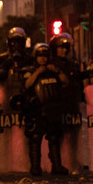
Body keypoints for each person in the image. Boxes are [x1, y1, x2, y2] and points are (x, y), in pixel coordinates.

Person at [23, 43, 70, 176]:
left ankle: (57, 165)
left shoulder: (54, 70)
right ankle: (35, 167)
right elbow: (27, 85)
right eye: (40, 56)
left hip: (53, 109)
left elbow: (66, 82)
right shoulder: (31, 70)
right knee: (35, 138)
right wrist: (38, 72)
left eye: (45, 56)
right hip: (37, 109)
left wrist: (57, 71)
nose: (43, 58)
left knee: (54, 138)